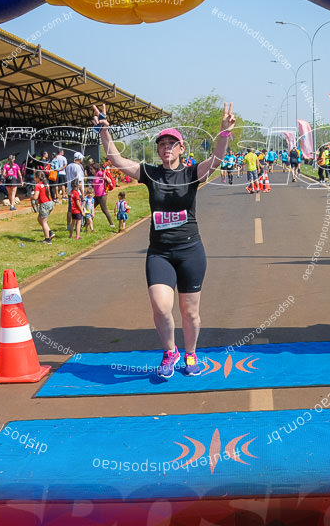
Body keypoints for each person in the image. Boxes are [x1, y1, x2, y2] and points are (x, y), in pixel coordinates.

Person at [94, 101, 235, 379]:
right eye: (162, 144)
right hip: (159, 252)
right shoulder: (150, 173)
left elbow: (216, 161)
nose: (166, 147)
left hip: (190, 251)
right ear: (158, 150)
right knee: (161, 306)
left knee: (189, 313)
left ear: (182, 149)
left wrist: (224, 133)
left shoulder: (192, 174)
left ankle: (191, 353)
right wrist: (104, 131)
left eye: (172, 143)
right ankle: (170, 353)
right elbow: (116, 160)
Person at [32, 171, 56, 243]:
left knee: (44, 221)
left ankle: (47, 239)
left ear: (37, 178)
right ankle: (50, 233)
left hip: (44, 204)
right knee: (39, 219)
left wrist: (31, 197)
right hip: (50, 203)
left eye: (34, 177)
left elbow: (36, 197)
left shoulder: (37, 186)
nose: (34, 179)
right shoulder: (46, 184)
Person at [65, 151, 86, 231]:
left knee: (70, 208)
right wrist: (83, 193)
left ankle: (68, 225)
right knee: (78, 208)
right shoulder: (78, 167)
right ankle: (78, 225)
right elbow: (79, 181)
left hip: (70, 191)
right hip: (77, 191)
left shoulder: (69, 166)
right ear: (79, 158)